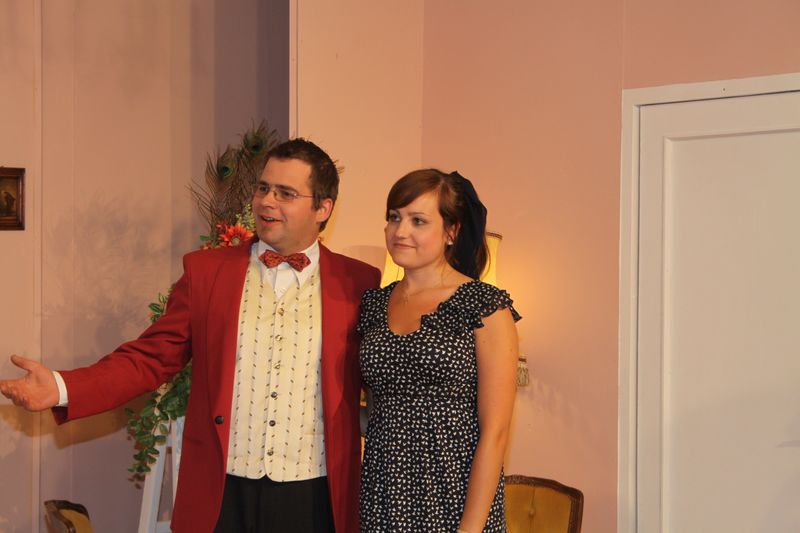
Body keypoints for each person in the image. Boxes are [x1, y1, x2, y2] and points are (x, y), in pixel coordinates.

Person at [0, 139, 381, 533]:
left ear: (323, 208)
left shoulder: (360, 283)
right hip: (221, 491)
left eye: (285, 193)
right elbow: (150, 358)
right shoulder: (207, 272)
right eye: (263, 188)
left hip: (314, 494)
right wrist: (63, 388)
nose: (267, 201)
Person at [357, 169, 521, 533]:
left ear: (451, 231)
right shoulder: (373, 305)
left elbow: (495, 431)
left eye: (418, 221)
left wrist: (470, 528)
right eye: (394, 217)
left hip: (454, 493)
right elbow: (372, 408)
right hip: (384, 493)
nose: (400, 231)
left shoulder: (483, 305)